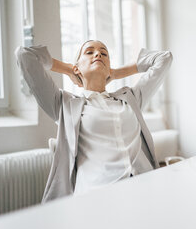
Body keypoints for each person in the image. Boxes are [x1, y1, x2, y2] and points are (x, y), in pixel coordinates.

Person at [14, 40, 173, 202]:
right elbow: (25, 55)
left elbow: (164, 58)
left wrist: (116, 73)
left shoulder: (131, 98)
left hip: (144, 189)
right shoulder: (64, 104)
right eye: (89, 52)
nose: (98, 54)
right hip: (97, 196)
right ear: (77, 66)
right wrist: (70, 69)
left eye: (104, 54)